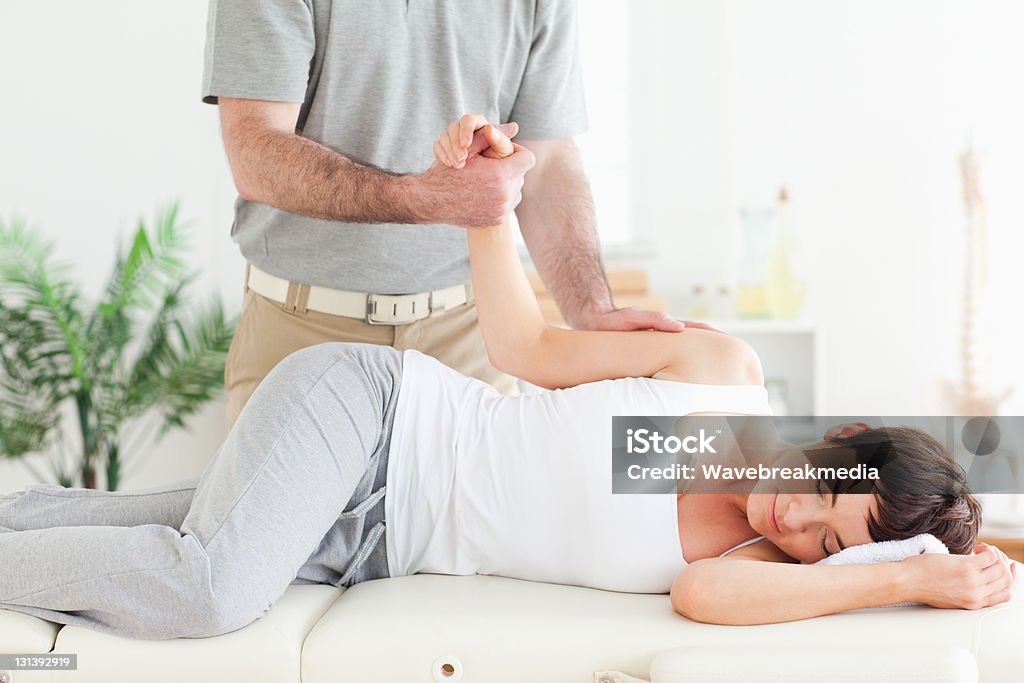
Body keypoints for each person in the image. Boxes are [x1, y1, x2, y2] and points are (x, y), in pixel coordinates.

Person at [0, 122, 1014, 640]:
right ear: (841, 437)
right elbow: (525, 346)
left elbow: (703, 592)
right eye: (820, 503)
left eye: (824, 550)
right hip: (369, 419)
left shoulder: (749, 556)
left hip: (372, 535)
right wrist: (485, 193)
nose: (798, 528)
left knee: (104, 524)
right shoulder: (718, 378)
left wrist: (906, 571)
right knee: (210, 589)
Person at [202, 0, 689, 427]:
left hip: (471, 341)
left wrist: (591, 309)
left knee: (486, 534)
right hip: (303, 335)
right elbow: (255, 150)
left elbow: (547, 159)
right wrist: (419, 197)